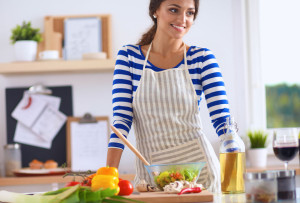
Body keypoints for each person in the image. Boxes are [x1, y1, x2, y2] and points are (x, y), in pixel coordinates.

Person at [106, 0, 231, 192]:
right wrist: (109, 173)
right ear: (155, 10)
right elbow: (121, 120)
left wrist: (234, 160)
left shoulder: (202, 58)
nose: (183, 19)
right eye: (174, 10)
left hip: (200, 175)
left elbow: (222, 119)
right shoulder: (129, 57)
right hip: (151, 173)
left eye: (190, 13)